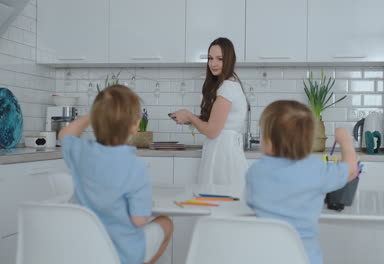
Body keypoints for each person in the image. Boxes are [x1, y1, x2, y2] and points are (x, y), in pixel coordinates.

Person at [58, 84, 173, 264]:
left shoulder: (81, 153)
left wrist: (91, 117)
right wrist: (144, 205)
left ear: (96, 121)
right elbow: (139, 220)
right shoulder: (135, 166)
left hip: (85, 251)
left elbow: (64, 135)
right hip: (122, 255)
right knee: (166, 223)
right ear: (134, 127)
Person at [246, 100, 358, 264]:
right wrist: (345, 140)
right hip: (304, 259)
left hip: (263, 257)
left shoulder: (255, 171)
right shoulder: (317, 169)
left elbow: (252, 204)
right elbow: (351, 170)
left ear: (269, 142)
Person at [170, 37, 248, 191]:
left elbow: (212, 131)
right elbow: (218, 121)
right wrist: (190, 119)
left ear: (229, 59)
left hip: (222, 154)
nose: (213, 63)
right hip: (224, 151)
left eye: (219, 59)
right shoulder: (230, 84)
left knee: (216, 202)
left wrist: (189, 116)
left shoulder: (227, 87)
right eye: (210, 58)